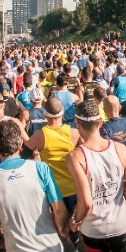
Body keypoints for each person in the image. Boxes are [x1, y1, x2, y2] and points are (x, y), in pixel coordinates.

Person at [0, 121, 68, 251]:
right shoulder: (41, 168)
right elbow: (59, 209)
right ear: (21, 143)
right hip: (51, 247)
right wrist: (61, 230)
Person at [66, 100, 126, 252]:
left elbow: (86, 202)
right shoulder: (121, 149)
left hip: (94, 230)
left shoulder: (75, 157)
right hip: (121, 226)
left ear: (77, 122)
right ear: (100, 122)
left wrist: (75, 220)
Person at [24, 96, 81, 228]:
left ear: (45, 115)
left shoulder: (40, 135)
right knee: (75, 225)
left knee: (58, 226)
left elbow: (23, 155)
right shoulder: (74, 133)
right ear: (63, 113)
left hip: (53, 192)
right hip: (74, 187)